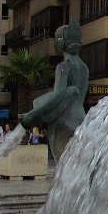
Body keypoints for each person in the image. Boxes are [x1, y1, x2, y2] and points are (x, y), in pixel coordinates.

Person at [20, 20, 89, 163]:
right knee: (77, 166)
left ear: (60, 43)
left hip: (63, 122)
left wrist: (31, 115)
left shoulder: (64, 66)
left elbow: (58, 96)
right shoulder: (84, 68)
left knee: (64, 167)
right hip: (81, 120)